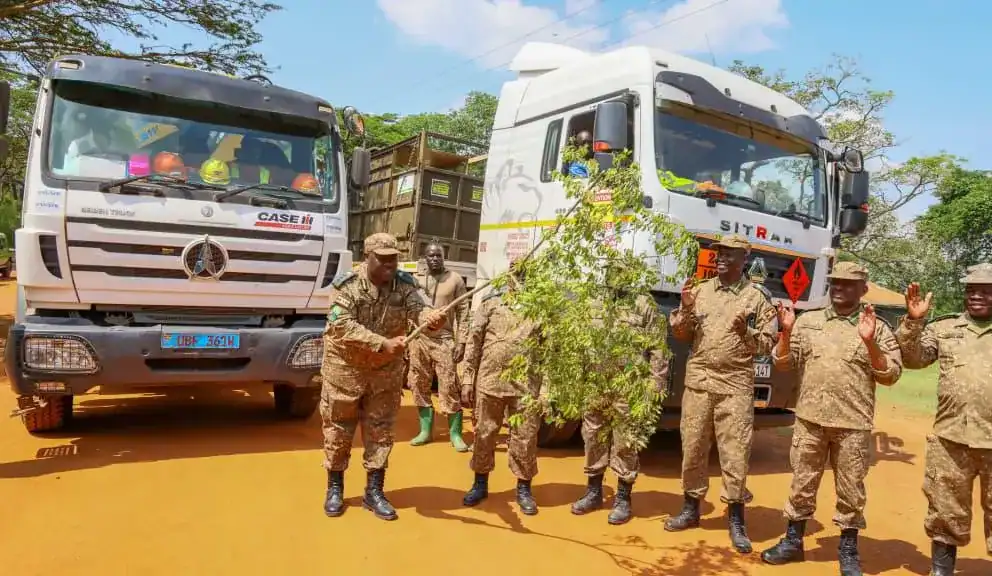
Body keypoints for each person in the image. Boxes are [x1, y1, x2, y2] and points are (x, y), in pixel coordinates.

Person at [761, 261, 903, 576]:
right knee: (802, 483)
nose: (840, 288)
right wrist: (786, 331)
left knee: (851, 490)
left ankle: (848, 551)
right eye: (835, 282)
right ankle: (793, 542)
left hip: (852, 425)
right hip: (810, 420)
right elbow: (783, 363)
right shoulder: (808, 322)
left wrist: (869, 342)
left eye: (849, 284)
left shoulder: (876, 327)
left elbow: (891, 375)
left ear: (863, 289)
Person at [320, 232, 446, 521]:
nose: (391, 265)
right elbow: (341, 325)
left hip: (385, 376)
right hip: (345, 372)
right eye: (384, 259)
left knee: (381, 432)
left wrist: (431, 319)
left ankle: (374, 491)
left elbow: (420, 309)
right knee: (338, 430)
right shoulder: (347, 285)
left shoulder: (404, 285)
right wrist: (382, 343)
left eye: (394, 259)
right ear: (368, 258)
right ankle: (335, 487)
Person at [664, 233, 777, 554]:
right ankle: (690, 508)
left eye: (731, 254)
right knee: (693, 447)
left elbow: (769, 344)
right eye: (719, 253)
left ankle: (736, 519)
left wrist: (748, 332)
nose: (722, 258)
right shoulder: (699, 292)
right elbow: (681, 334)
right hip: (699, 383)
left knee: (735, 453)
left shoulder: (756, 298)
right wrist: (685, 310)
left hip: (735, 387)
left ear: (745, 259)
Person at [895, 263, 992, 576]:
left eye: (986, 290)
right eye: (972, 290)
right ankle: (942, 570)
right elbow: (912, 359)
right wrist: (914, 321)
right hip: (951, 439)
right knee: (945, 511)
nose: (977, 296)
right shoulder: (944, 328)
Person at [570, 278, 670, 525]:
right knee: (593, 436)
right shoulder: (593, 302)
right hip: (596, 384)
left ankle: (623, 498)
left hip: (629, 387)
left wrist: (654, 387)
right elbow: (579, 343)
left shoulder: (645, 305)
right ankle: (593, 492)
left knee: (625, 441)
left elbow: (659, 350)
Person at [461, 266, 543, 515]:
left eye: (526, 275)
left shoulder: (540, 309)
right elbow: (474, 342)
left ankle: (524, 488)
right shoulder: (490, 304)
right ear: (508, 278)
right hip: (490, 382)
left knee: (526, 438)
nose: (520, 280)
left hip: (526, 386)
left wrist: (546, 391)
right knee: (484, 434)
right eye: (517, 275)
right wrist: (467, 379)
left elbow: (550, 353)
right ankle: (480, 484)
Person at [407, 242, 472, 452]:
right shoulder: (417, 281)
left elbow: (464, 313)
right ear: (425, 258)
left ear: (443, 258)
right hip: (419, 339)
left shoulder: (454, 280)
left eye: (438, 256)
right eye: (430, 255)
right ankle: (425, 431)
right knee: (418, 383)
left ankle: (455, 434)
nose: (434, 259)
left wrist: (461, 341)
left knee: (449, 384)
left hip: (444, 339)